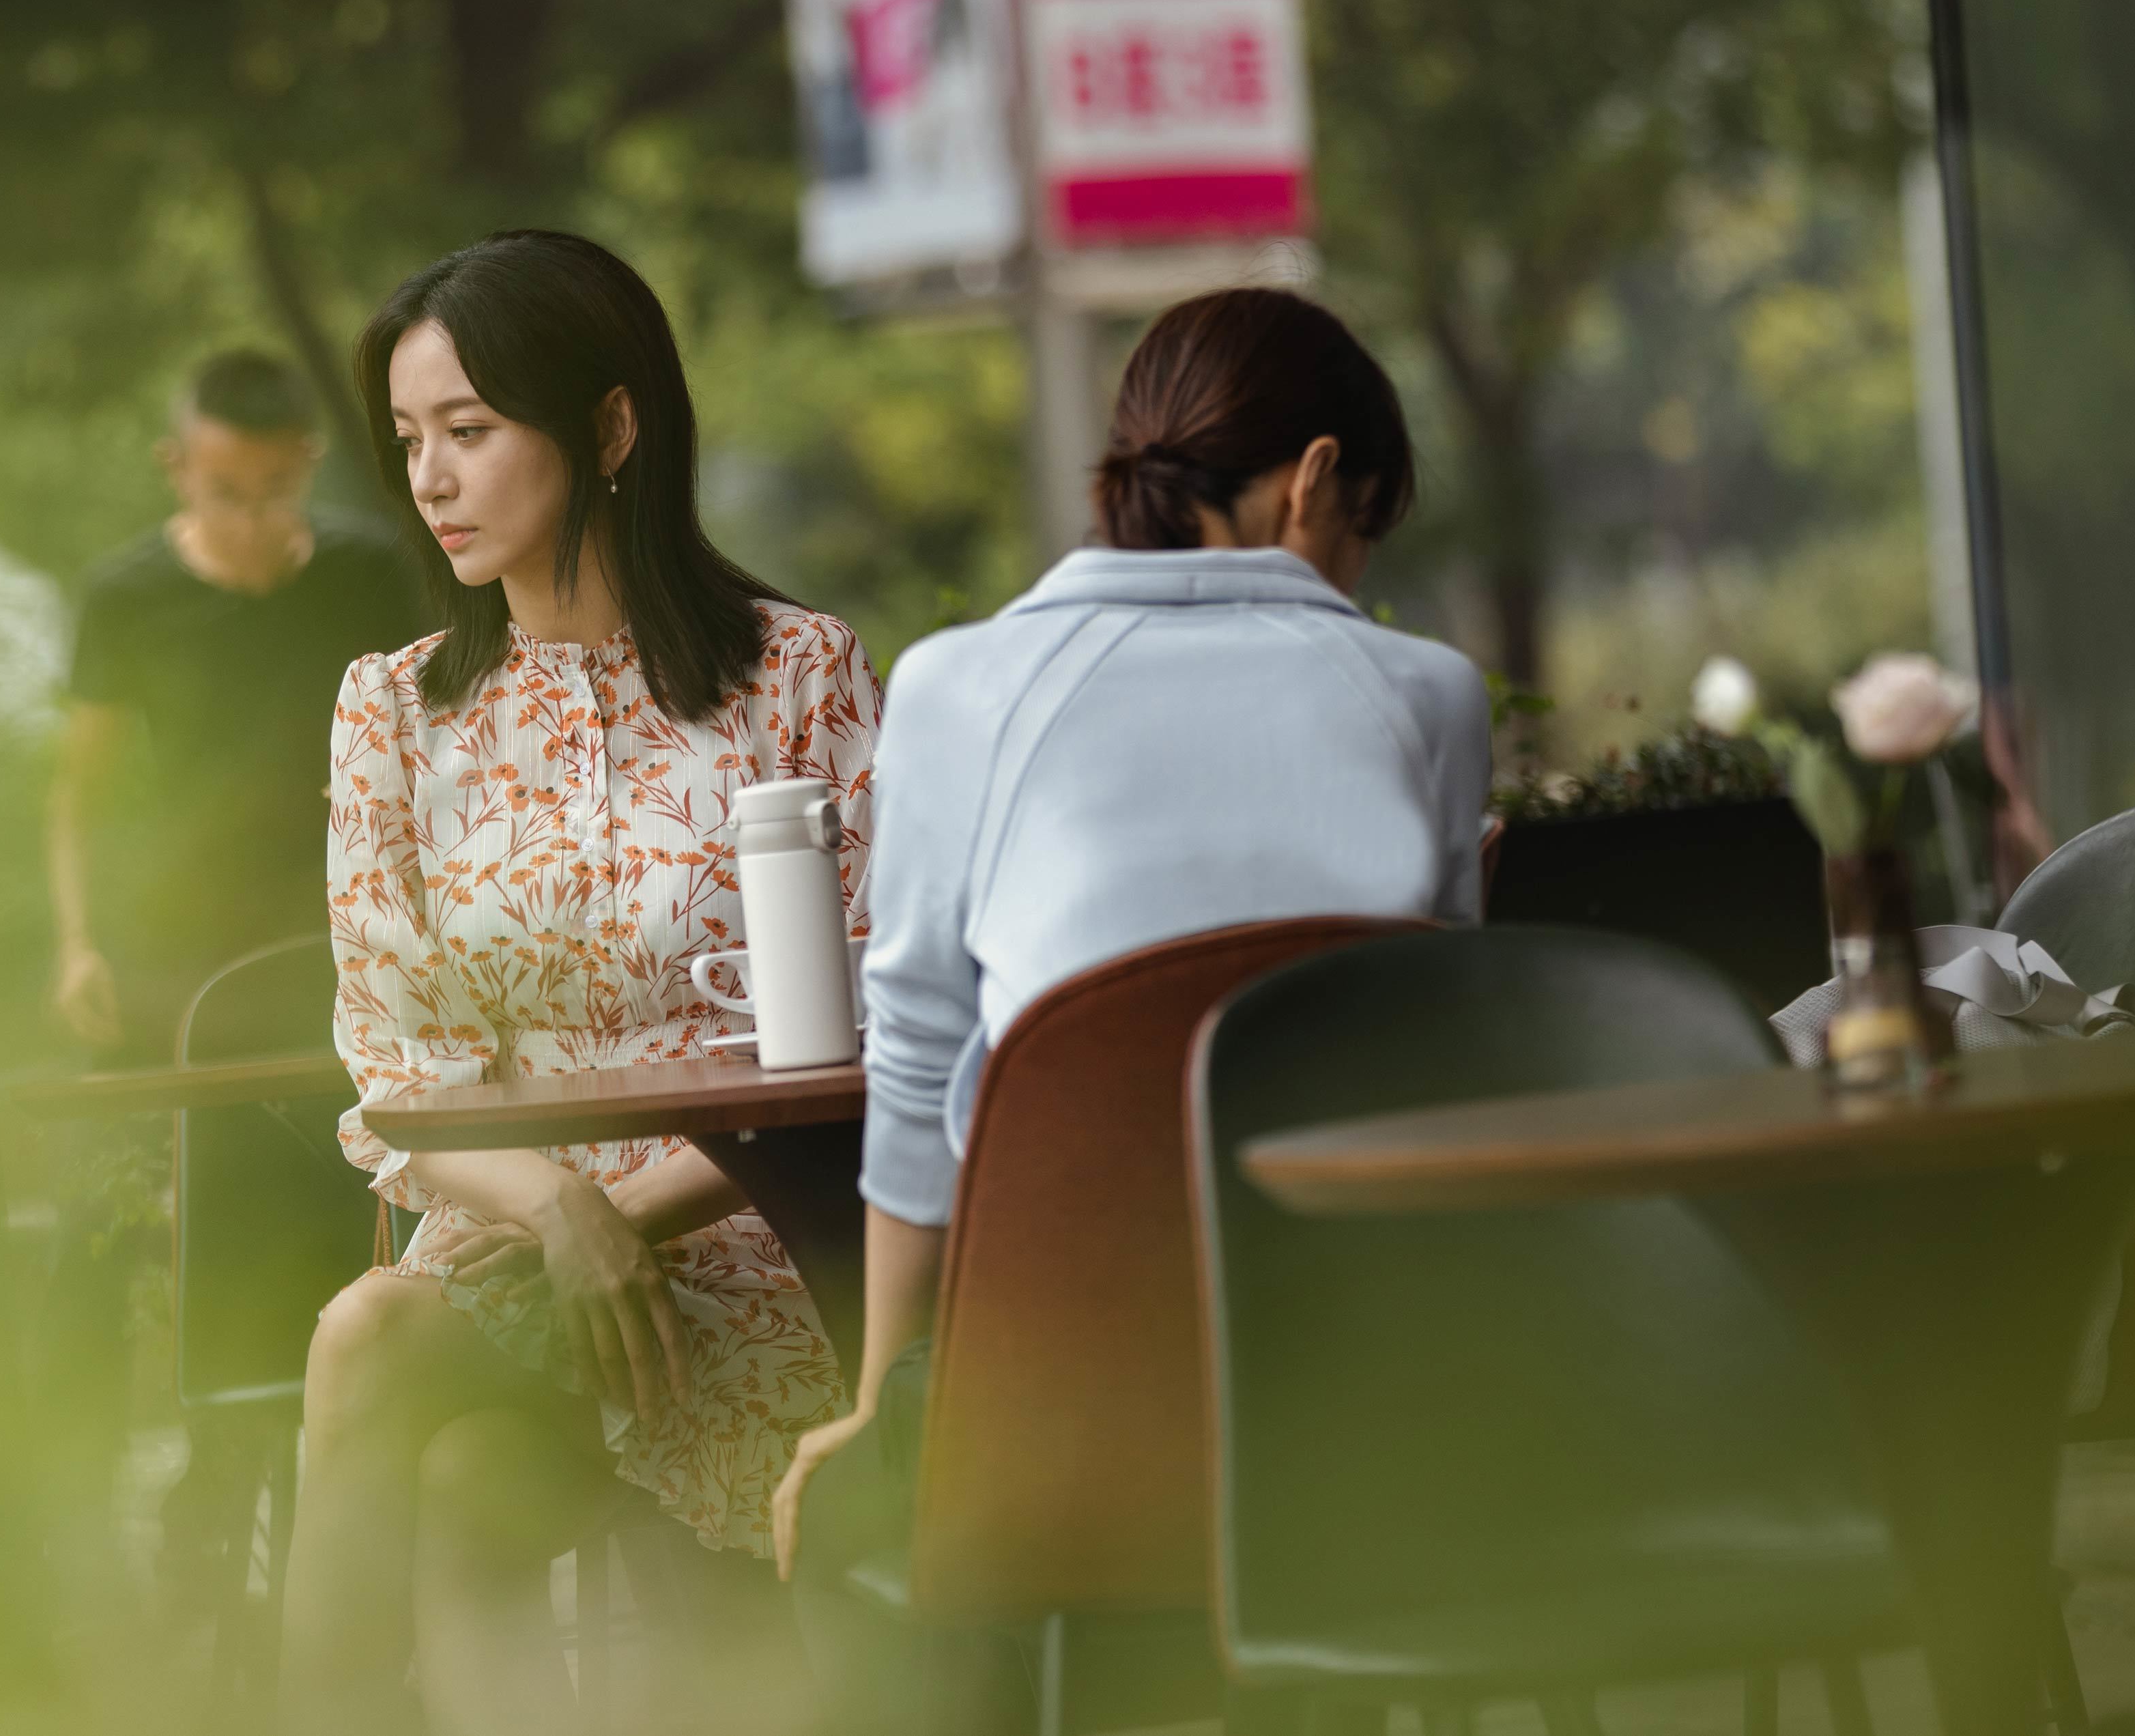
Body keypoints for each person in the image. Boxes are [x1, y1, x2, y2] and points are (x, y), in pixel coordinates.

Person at [766, 286, 1493, 1574]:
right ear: (1316, 482)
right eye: (1365, 535)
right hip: (1385, 1392)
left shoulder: (959, 687)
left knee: (848, 1531)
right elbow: (1434, 1061)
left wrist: (886, 1406)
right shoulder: (1426, 697)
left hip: (1052, 1406)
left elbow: (920, 1055)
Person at [283, 231, 880, 1736]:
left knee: (469, 1480)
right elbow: (396, 1063)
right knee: (369, 1329)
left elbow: (877, 1027)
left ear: (610, 429)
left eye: (471, 432)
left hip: (761, 1237)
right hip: (511, 1246)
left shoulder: (802, 677)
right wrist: (561, 1213)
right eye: (411, 440)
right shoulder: (393, 711)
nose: (429, 480)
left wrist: (637, 1216)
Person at [47, 348, 425, 1059]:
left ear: (308, 462)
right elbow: (81, 790)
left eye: (275, 487)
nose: (251, 519)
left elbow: (429, 750)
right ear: (176, 468)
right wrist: (77, 946)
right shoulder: (124, 598)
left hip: (352, 926)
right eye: (224, 492)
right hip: (182, 934)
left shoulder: (374, 574)